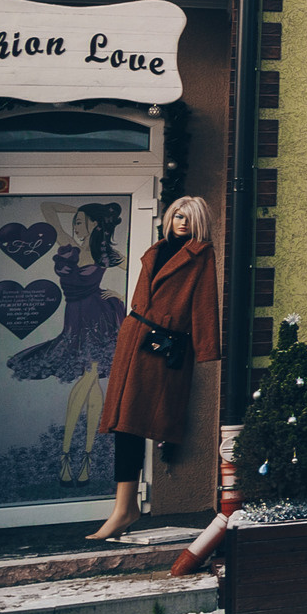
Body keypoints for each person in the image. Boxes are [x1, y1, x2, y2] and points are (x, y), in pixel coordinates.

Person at [86, 196, 221, 542]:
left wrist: (206, 350)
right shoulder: (155, 250)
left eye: (189, 217)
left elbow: (205, 303)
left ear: (199, 222)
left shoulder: (200, 255)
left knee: (134, 420)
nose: (182, 221)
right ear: (168, 217)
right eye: (178, 214)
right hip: (134, 337)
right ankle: (124, 507)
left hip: (161, 346)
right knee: (121, 422)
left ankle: (124, 509)